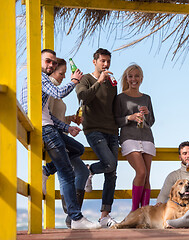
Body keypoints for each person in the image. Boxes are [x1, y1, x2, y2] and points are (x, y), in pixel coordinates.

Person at [19, 49, 100, 229]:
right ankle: (76, 218)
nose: (51, 65)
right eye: (48, 61)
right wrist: (74, 81)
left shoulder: (39, 80)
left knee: (78, 149)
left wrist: (67, 127)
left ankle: (46, 170)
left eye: (54, 63)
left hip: (49, 127)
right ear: (37, 61)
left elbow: (47, 114)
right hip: (46, 130)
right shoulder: (38, 78)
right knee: (66, 173)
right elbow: (59, 93)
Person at [41, 58, 89, 228]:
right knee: (72, 173)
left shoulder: (53, 89)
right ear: (52, 72)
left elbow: (54, 116)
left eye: (63, 74)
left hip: (60, 133)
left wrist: (69, 122)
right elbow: (48, 117)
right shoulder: (51, 89)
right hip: (54, 136)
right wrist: (74, 81)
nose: (62, 77)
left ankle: (73, 217)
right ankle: (73, 216)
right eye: (60, 73)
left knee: (77, 166)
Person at [75, 48, 119, 228]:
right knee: (110, 163)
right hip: (93, 129)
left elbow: (115, 107)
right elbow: (82, 96)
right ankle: (89, 170)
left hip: (112, 131)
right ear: (95, 62)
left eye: (108, 61)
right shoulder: (86, 78)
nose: (106, 64)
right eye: (103, 61)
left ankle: (104, 216)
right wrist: (99, 82)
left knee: (112, 172)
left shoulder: (113, 82)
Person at [115, 64, 155, 212]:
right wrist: (129, 117)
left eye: (137, 76)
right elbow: (115, 120)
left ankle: (144, 213)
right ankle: (134, 212)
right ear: (127, 78)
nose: (134, 79)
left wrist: (147, 113)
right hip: (128, 138)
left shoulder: (147, 98)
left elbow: (151, 122)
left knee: (147, 178)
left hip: (147, 137)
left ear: (141, 78)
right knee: (141, 172)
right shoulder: (120, 98)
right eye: (130, 76)